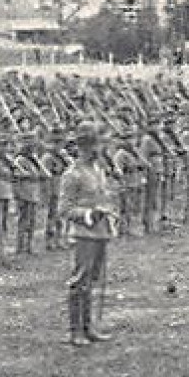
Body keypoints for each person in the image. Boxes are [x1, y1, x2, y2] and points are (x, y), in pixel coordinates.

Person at [57, 121, 119, 346]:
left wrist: (108, 212)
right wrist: (90, 214)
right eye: (98, 145)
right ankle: (75, 331)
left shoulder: (98, 171)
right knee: (79, 281)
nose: (102, 149)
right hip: (84, 233)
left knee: (92, 280)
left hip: (101, 232)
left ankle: (88, 327)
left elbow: (104, 197)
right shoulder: (72, 175)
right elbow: (64, 209)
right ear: (88, 147)